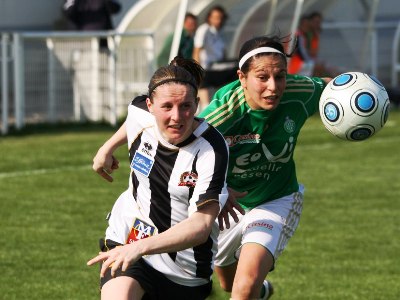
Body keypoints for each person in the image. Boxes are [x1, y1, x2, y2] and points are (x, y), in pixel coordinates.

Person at [198, 35, 332, 299]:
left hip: (275, 199)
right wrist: (218, 189)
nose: (273, 87)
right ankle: (263, 292)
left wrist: (364, 94)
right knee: (227, 283)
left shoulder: (299, 92)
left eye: (280, 76)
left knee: (244, 288)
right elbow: (181, 149)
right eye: (262, 77)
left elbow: (335, 87)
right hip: (228, 206)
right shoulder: (223, 112)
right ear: (242, 77)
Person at [87, 57, 230, 300]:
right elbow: (133, 118)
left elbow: (200, 227)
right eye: (167, 107)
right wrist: (107, 148)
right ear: (150, 105)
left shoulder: (211, 148)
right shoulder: (140, 112)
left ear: (196, 105)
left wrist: (140, 247)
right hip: (128, 237)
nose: (177, 116)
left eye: (186, 106)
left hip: (185, 268)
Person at [192, 5, 228, 112]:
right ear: (209, 18)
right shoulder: (204, 29)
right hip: (206, 69)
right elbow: (197, 50)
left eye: (220, 17)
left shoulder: (218, 33)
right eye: (215, 17)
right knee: (205, 104)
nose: (218, 20)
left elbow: (222, 52)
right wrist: (197, 71)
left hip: (216, 69)